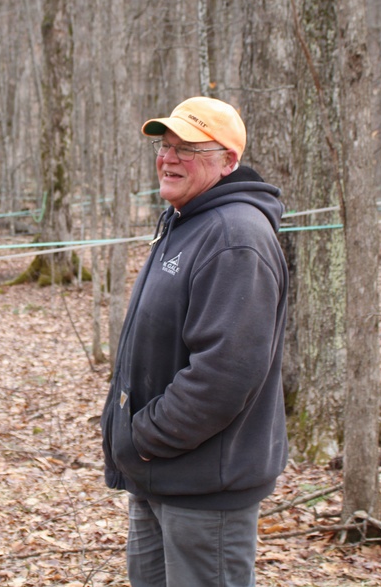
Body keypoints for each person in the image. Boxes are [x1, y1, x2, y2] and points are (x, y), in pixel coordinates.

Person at [100, 96, 289, 587]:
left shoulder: (234, 237)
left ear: (228, 161)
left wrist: (145, 438)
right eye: (165, 146)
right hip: (161, 476)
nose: (168, 158)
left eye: (187, 148)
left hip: (204, 486)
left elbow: (224, 374)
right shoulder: (187, 220)